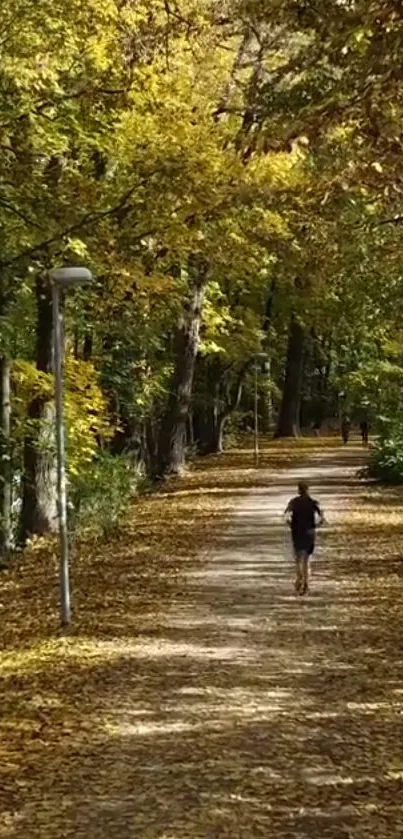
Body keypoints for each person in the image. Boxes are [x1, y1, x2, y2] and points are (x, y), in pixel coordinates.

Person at [284, 481, 324, 595]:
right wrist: (315, 526)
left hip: (297, 532)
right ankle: (306, 583)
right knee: (307, 559)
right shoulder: (313, 502)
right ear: (308, 490)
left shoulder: (293, 502)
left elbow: (285, 516)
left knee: (298, 558)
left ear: (298, 490)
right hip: (309, 532)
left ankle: (299, 578)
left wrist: (290, 524)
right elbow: (322, 518)